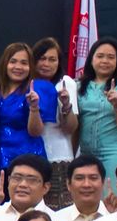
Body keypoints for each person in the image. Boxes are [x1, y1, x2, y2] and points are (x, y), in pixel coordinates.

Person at [72, 40, 117, 204]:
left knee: (115, 201)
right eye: (100, 56)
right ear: (91, 59)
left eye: (110, 57)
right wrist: (72, 156)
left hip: (114, 153)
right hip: (86, 154)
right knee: (87, 203)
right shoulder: (78, 87)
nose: (105, 61)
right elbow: (75, 127)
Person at [0, 42, 52, 174]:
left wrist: (34, 108)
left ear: (30, 67)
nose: (18, 67)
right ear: (5, 64)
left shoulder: (35, 89)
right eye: (13, 61)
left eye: (24, 63)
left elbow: (35, 132)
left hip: (27, 161)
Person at [31, 39, 80, 207]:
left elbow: (71, 128)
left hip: (59, 157)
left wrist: (65, 105)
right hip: (31, 155)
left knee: (60, 211)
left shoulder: (66, 83)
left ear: (59, 62)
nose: (46, 64)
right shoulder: (27, 84)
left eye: (52, 59)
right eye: (42, 58)